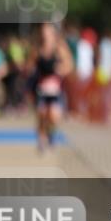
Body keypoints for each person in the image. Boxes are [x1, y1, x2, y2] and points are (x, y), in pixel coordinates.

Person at [27, 23, 73, 152]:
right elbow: (29, 66)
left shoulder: (59, 48)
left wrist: (60, 70)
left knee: (53, 115)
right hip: (40, 87)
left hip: (55, 88)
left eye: (47, 32)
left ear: (53, 34)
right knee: (41, 114)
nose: (45, 35)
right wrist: (31, 71)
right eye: (43, 32)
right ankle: (41, 140)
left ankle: (51, 134)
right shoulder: (37, 49)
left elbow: (69, 65)